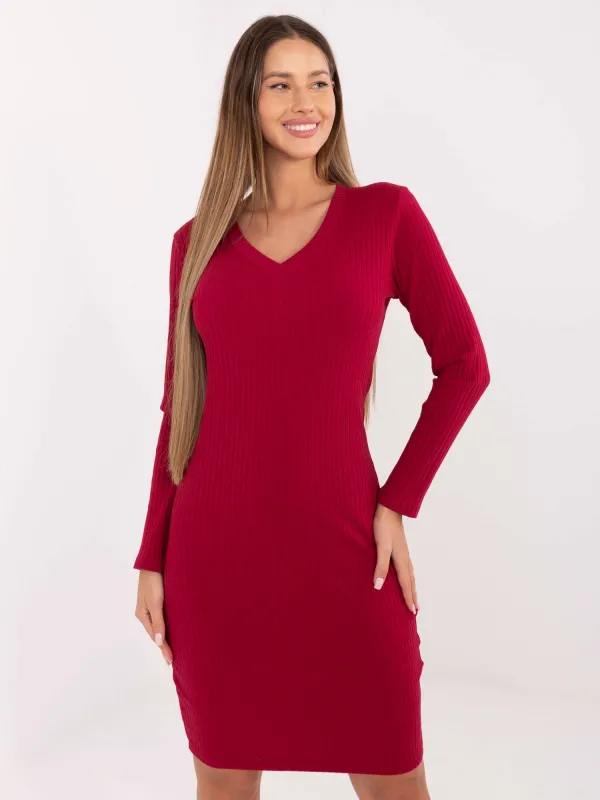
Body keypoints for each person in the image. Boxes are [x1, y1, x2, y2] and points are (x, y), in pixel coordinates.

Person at [133, 13, 490, 800]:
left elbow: (465, 365)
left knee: (396, 780)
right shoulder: (197, 243)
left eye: (320, 82)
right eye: (281, 84)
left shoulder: (385, 216)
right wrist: (151, 556)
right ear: (247, 101)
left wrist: (397, 501)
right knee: (225, 786)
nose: (306, 102)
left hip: (349, 554)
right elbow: (178, 411)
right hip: (215, 562)